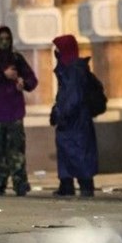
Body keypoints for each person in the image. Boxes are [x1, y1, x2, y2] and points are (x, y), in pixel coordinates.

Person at [0, 25, 37, 196]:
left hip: (14, 113)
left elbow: (32, 80)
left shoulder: (17, 59)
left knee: (16, 151)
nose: (4, 43)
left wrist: (23, 82)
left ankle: (20, 183)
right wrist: (2, 75)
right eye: (1, 39)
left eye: (7, 39)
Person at [49, 34, 98, 197]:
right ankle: (66, 184)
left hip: (76, 121)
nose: (56, 53)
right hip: (71, 121)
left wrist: (61, 113)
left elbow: (72, 97)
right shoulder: (67, 69)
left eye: (58, 49)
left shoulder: (74, 70)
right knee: (67, 152)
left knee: (79, 152)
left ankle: (85, 186)